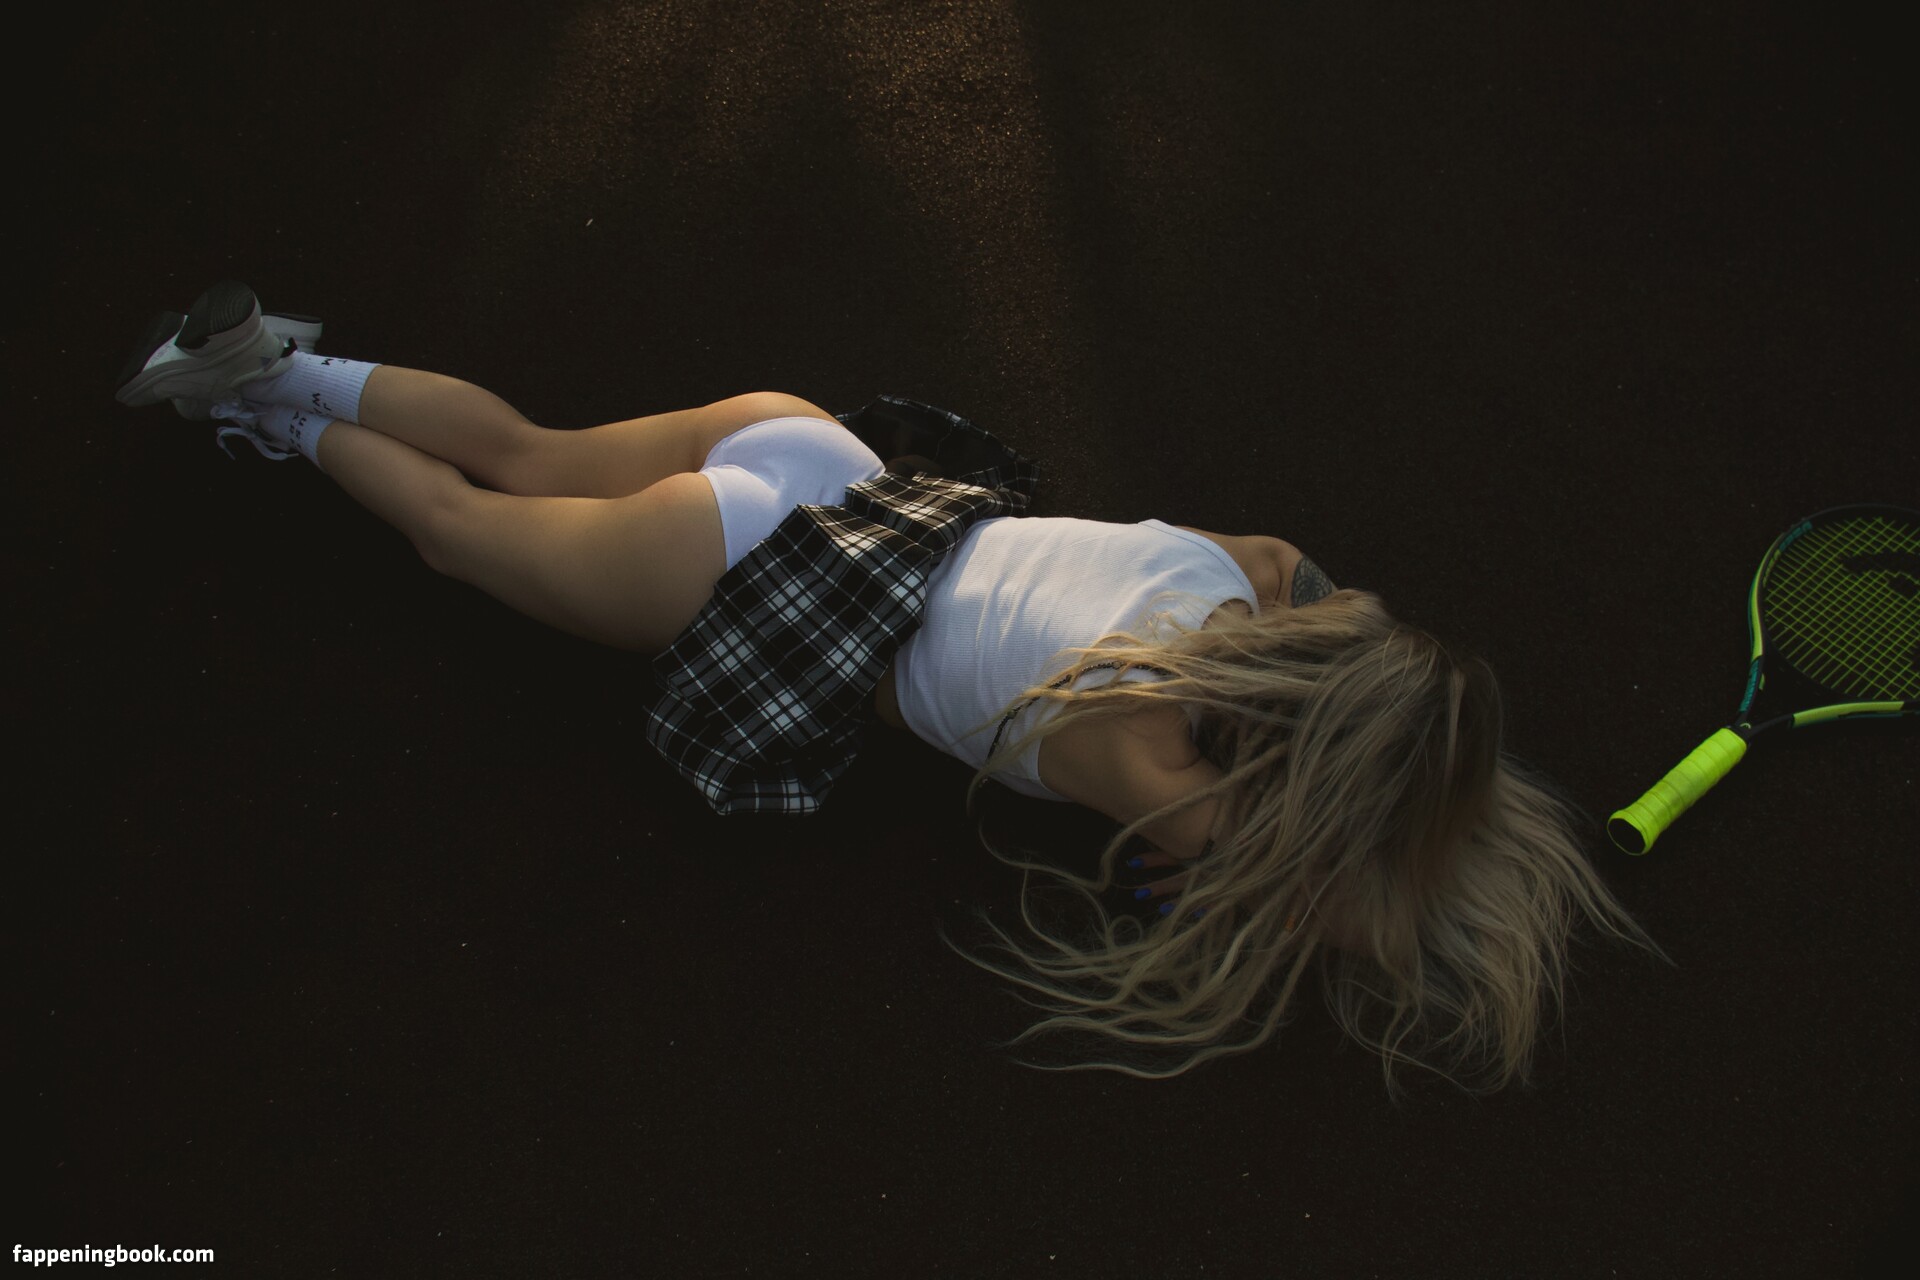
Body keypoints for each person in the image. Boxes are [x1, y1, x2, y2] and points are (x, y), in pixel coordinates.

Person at [117, 280, 1653, 1091]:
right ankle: (267, 410)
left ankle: (284, 360)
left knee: (524, 449)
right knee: (461, 534)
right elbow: (1337, 903)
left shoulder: (1251, 580)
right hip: (745, 566)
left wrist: (1410, 726)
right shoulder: (1158, 766)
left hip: (826, 459)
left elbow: (1343, 619)